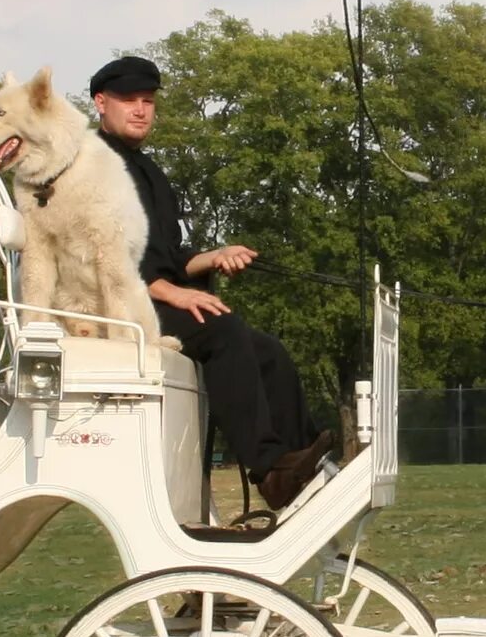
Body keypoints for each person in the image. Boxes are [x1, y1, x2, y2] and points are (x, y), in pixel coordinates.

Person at [88, 55, 336, 512]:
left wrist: (215, 257)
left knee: (267, 351)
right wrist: (172, 292)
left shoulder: (150, 173)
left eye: (148, 100)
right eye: (128, 100)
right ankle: (268, 470)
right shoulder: (93, 167)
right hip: (117, 306)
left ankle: (302, 464)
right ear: (101, 103)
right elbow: (105, 259)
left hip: (155, 296)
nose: (141, 109)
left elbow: (170, 257)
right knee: (222, 330)